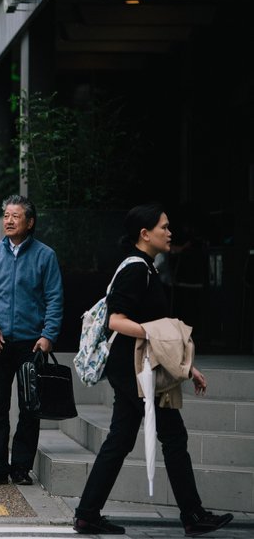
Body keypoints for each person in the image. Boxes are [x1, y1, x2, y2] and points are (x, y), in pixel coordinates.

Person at [72, 204, 234, 536]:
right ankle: (192, 515)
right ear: (145, 234)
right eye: (164, 227)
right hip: (136, 368)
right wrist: (155, 335)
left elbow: (156, 329)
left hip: (141, 366)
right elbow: (117, 320)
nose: (170, 232)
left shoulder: (147, 267)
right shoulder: (136, 269)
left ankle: (88, 513)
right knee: (171, 436)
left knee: (124, 438)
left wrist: (189, 367)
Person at [0, 195, 63, 487]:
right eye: (6, 216)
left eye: (15, 216)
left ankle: (21, 467)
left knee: (29, 407)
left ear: (30, 221)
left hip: (31, 344)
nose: (9, 221)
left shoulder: (45, 255)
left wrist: (48, 335)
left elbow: (54, 298)